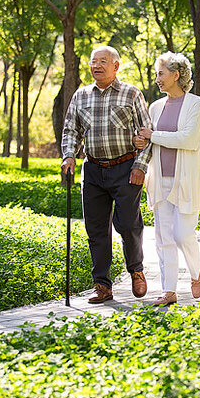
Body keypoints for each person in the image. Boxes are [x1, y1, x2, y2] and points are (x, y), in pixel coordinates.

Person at [60, 45, 152, 304]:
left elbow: (147, 132)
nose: (97, 66)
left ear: (116, 66)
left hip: (125, 168)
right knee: (96, 229)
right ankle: (102, 284)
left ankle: (136, 270)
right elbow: (71, 130)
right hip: (93, 169)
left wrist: (140, 166)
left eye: (103, 61)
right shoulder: (81, 95)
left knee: (128, 224)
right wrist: (69, 154)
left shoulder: (132, 94)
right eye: (93, 61)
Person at [136, 52, 200, 306]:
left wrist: (153, 135)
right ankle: (168, 290)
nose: (157, 78)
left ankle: (196, 270)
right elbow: (148, 140)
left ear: (176, 75)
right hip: (159, 181)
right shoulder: (155, 107)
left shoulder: (195, 104)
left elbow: (188, 140)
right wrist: (142, 140)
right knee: (163, 237)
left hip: (186, 182)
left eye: (161, 73)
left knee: (181, 234)